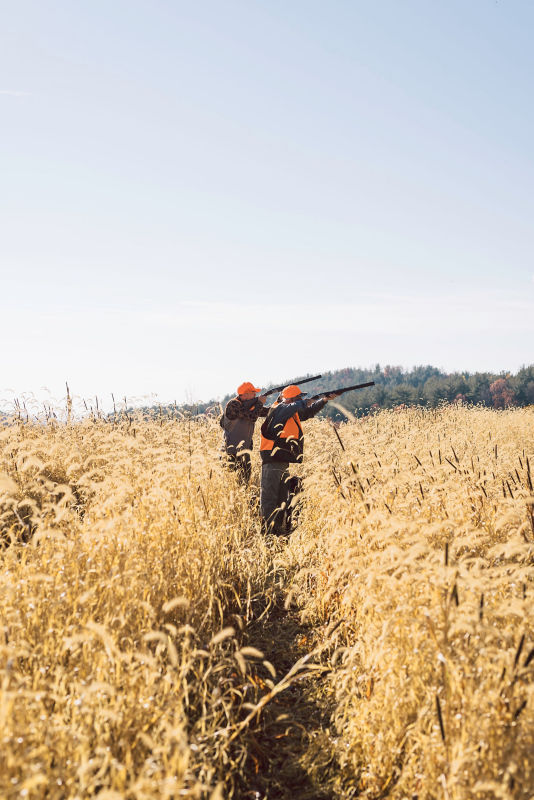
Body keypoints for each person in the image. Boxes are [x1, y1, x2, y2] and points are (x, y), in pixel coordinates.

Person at [259, 384, 334, 535]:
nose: (301, 400)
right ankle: (267, 533)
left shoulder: (289, 413)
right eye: (299, 398)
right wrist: (308, 401)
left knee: (280, 499)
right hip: (272, 460)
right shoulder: (279, 409)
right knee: (269, 500)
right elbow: (296, 406)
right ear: (291, 400)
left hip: (282, 460)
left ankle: (277, 534)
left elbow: (307, 413)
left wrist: (324, 400)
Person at [221, 382, 268, 483]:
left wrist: (280, 403)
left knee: (244, 482)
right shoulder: (233, 404)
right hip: (230, 452)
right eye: (253, 392)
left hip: (244, 452)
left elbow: (266, 412)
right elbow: (252, 417)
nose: (256, 395)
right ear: (245, 394)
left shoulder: (249, 406)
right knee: (231, 483)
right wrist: (259, 403)